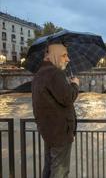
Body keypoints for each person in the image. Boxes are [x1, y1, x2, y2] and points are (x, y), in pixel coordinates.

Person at [32, 43, 79, 178]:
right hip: (60, 133)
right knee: (60, 171)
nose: (68, 59)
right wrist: (75, 84)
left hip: (48, 131)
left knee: (49, 168)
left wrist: (66, 84)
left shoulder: (40, 74)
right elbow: (67, 98)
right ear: (55, 55)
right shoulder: (55, 73)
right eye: (64, 55)